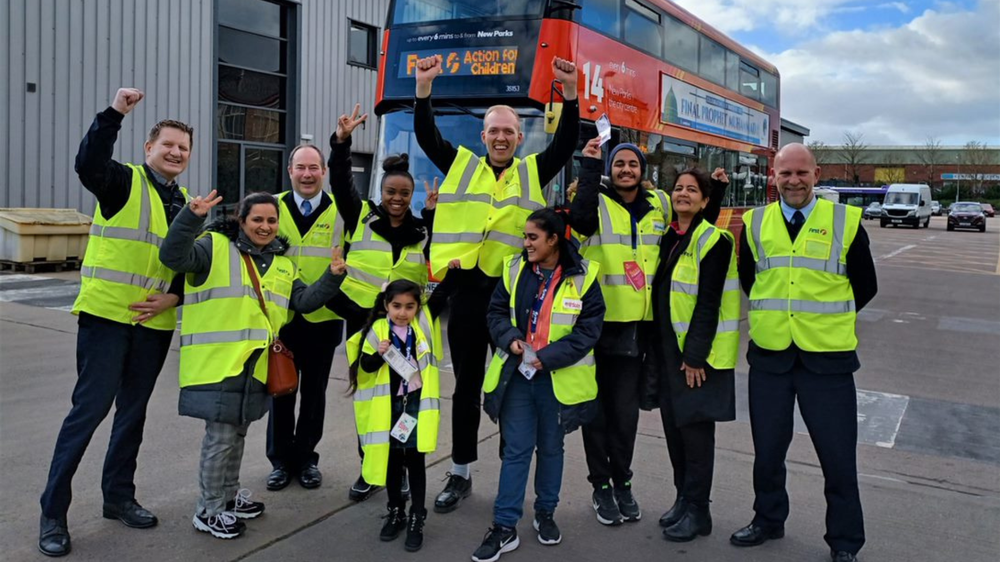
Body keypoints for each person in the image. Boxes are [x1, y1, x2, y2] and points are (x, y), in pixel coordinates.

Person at [413, 53, 580, 513]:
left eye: (509, 131)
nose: (502, 137)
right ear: (483, 135)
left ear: (519, 137)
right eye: (494, 130)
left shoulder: (532, 171)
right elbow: (428, 137)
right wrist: (424, 88)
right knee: (466, 387)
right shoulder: (462, 165)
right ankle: (461, 471)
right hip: (468, 292)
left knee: (512, 384)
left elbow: (565, 143)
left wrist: (569, 93)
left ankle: (511, 471)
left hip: (514, 298)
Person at [38, 88, 191, 557]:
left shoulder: (185, 202)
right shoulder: (121, 181)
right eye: (167, 144)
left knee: (133, 414)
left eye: (183, 148)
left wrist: (175, 297)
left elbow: (188, 264)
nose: (175, 152)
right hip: (107, 317)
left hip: (153, 328)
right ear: (149, 148)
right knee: (88, 413)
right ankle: (53, 512)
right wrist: (115, 113)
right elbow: (88, 162)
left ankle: (119, 497)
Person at [159, 191, 347, 539]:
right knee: (221, 437)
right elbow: (173, 255)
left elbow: (304, 302)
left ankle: (228, 498)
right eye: (257, 219)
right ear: (241, 220)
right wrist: (190, 217)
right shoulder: (213, 247)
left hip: (255, 367)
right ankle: (209, 509)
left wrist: (333, 276)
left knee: (237, 434)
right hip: (217, 364)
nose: (265, 226)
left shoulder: (283, 264)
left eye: (271, 220)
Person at [729, 143, 877, 562]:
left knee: (838, 458)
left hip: (827, 362)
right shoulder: (755, 223)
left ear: (817, 174)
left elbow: (865, 286)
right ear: (773, 177)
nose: (793, 181)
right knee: (768, 452)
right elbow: (749, 280)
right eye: (784, 174)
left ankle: (845, 542)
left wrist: (823, 321)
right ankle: (768, 519)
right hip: (771, 357)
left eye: (801, 173)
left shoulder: (845, 222)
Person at [471, 208, 605, 562]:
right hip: (517, 376)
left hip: (556, 379)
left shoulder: (585, 276)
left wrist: (550, 357)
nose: (526, 243)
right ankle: (504, 526)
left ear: (553, 239)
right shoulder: (514, 269)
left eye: (533, 237)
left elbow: (589, 330)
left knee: (551, 449)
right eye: (525, 236)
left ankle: (546, 514)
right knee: (515, 449)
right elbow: (495, 313)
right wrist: (512, 340)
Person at [326, 104, 439, 502]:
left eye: (403, 194)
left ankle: (402, 469)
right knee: (368, 405)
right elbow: (340, 182)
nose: (396, 198)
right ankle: (369, 469)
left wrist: (433, 214)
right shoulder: (360, 216)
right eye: (391, 191)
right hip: (364, 327)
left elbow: (432, 276)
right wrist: (341, 144)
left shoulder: (422, 231)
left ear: (411, 196)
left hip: (408, 334)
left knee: (407, 403)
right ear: (381, 192)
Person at [570, 138, 672, 525]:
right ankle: (601, 485)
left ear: (642, 171)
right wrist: (591, 165)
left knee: (625, 414)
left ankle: (623, 481)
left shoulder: (658, 204)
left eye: (633, 164)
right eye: (620, 164)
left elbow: (690, 224)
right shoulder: (593, 200)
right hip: (596, 323)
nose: (626, 169)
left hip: (636, 327)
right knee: (595, 413)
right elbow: (579, 223)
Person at [644, 167, 739, 542]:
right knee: (675, 432)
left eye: (691, 190)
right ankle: (683, 499)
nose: (683, 193)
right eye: (678, 188)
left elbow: (708, 303)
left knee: (696, 437)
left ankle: (699, 510)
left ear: (703, 200)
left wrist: (695, 356)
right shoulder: (671, 237)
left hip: (696, 358)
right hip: (666, 352)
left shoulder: (713, 240)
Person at [266, 142, 346, 493]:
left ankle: (307, 459)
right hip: (281, 320)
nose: (307, 174)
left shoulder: (342, 210)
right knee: (280, 392)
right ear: (290, 171)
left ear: (324, 172)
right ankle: (280, 461)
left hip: (324, 318)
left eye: (314, 168)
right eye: (301, 167)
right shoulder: (272, 207)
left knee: (314, 395)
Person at [346, 280, 447, 552]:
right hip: (388, 408)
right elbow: (364, 366)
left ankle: (417, 516)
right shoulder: (377, 330)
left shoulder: (422, 327)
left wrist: (452, 271)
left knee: (415, 461)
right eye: (397, 306)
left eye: (410, 306)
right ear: (385, 305)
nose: (403, 312)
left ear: (418, 307)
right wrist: (379, 354)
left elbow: (441, 295)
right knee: (393, 461)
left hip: (414, 405)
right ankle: (396, 511)